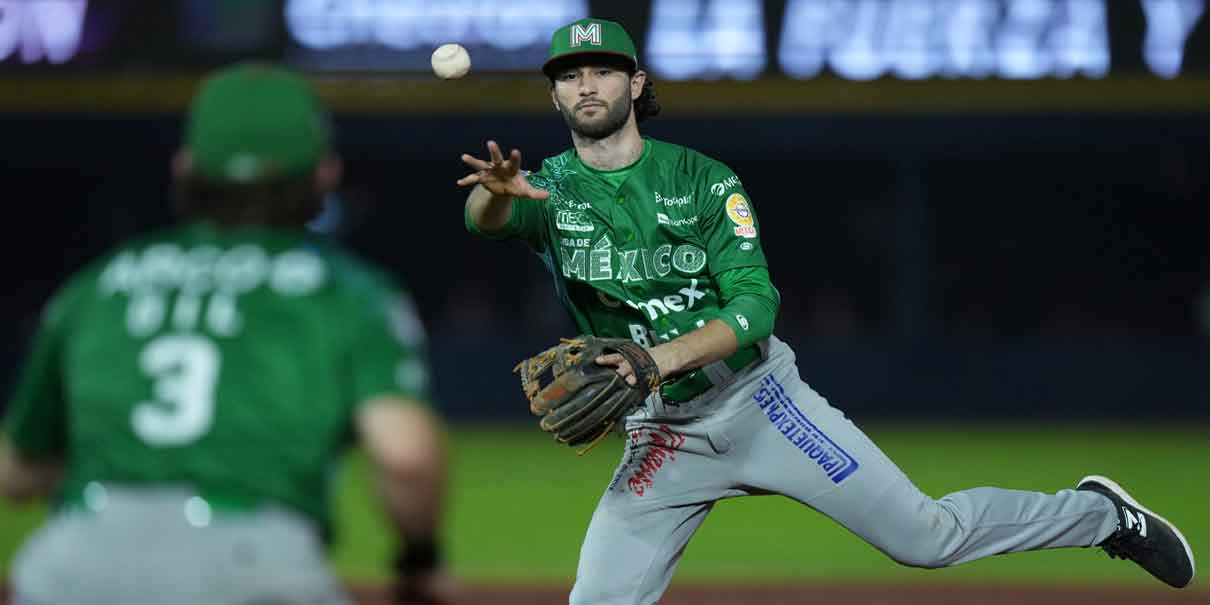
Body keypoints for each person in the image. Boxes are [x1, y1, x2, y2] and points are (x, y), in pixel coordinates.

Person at [459, 18, 1196, 604]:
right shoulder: (543, 190)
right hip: (663, 436)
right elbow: (483, 221)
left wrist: (659, 359)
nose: (585, 84)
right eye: (569, 76)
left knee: (928, 537)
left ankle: (1103, 515)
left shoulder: (701, 180)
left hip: (759, 403)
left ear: (635, 83)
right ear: (555, 98)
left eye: (601, 70)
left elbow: (755, 308)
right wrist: (494, 189)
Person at [1, 63, 452, 605]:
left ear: (185, 166)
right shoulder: (345, 292)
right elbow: (406, 457)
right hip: (252, 567)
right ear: (324, 174)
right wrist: (419, 558)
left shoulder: (99, 283)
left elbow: (16, 471)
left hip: (69, 568)